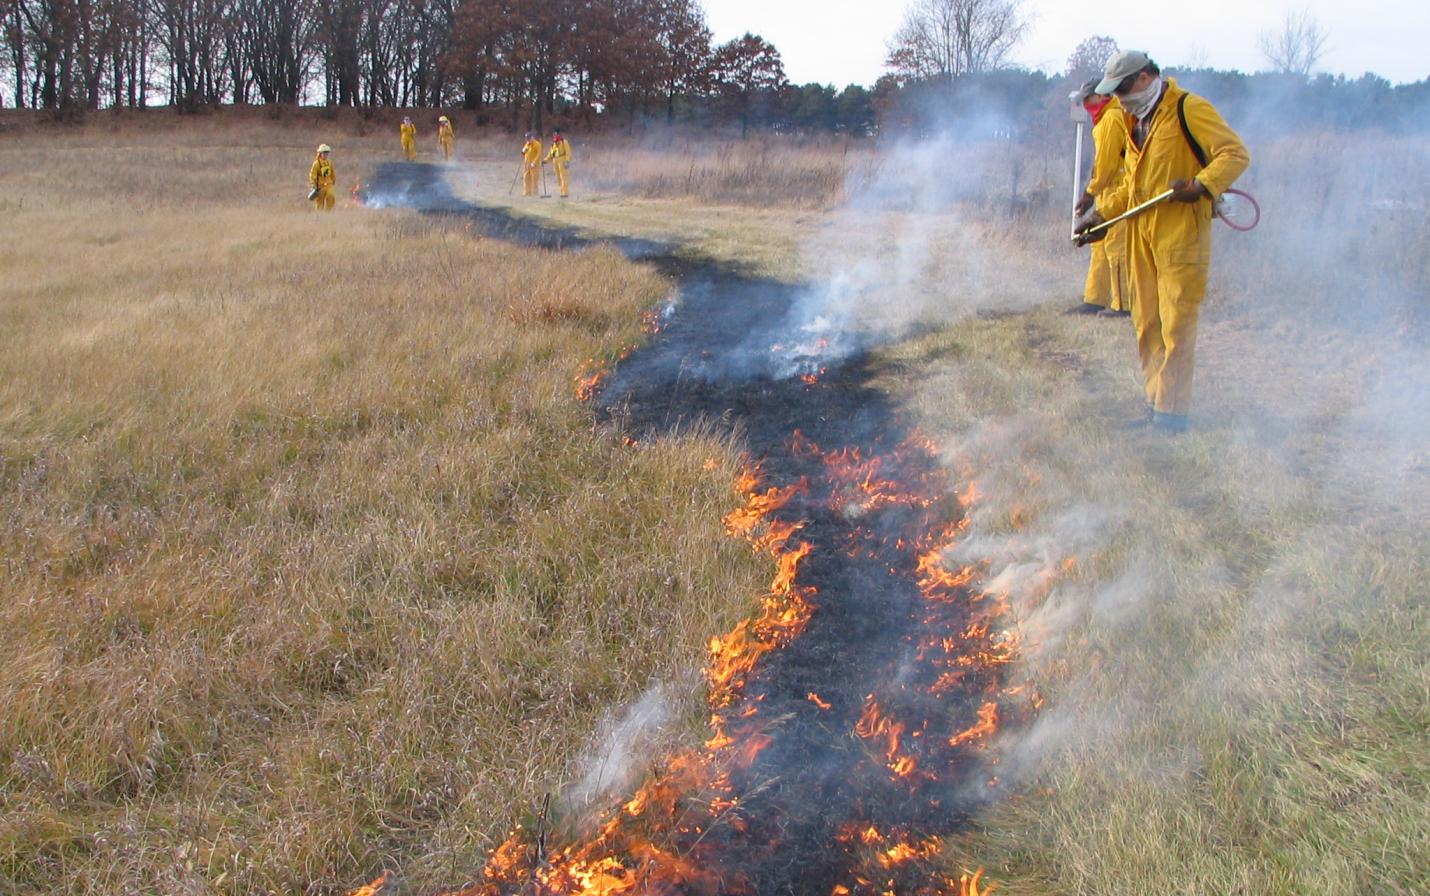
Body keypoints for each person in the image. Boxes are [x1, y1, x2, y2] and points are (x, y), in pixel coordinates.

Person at [1075, 51, 1250, 433]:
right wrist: (1101, 215)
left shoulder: (1188, 109)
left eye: (1122, 88)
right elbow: (1132, 185)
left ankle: (1172, 416)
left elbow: (1234, 153)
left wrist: (1202, 185)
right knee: (1147, 325)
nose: (1119, 98)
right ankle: (1155, 405)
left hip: (1180, 236)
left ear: (1145, 77)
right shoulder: (1133, 120)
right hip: (1141, 235)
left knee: (1176, 327)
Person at [1069, 79, 1131, 318]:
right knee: (1100, 246)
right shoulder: (1107, 118)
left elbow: (1105, 165)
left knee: (1116, 248)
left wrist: (1090, 192)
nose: (1084, 104)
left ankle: (1123, 305)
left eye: (1087, 98)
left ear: (1100, 95)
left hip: (1118, 191)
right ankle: (1095, 299)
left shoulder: (1111, 119)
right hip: (1108, 190)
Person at [544, 129, 572, 198]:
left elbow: (568, 152)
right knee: (558, 178)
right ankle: (561, 192)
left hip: (562, 160)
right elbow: (550, 154)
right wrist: (545, 160)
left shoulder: (564, 142)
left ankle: (565, 193)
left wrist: (567, 161)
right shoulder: (553, 144)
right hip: (555, 161)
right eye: (554, 134)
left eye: (556, 134)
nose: (555, 136)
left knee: (563, 177)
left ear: (559, 134)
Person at [308, 144, 336, 211]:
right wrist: (313, 184)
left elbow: (332, 172)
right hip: (320, 186)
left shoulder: (329, 162)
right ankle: (320, 216)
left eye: (327, 153)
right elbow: (312, 175)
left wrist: (333, 180)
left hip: (328, 185)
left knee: (331, 196)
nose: (326, 154)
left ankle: (328, 213)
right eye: (324, 152)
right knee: (319, 202)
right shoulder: (316, 164)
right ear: (320, 153)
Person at [520, 132, 543, 196]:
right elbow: (523, 153)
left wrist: (534, 162)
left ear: (532, 137)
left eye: (529, 138)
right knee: (526, 178)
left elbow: (539, 154)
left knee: (534, 179)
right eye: (527, 138)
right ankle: (527, 193)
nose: (528, 139)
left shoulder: (537, 144)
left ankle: (535, 193)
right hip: (527, 164)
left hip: (534, 165)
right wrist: (523, 151)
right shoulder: (527, 144)